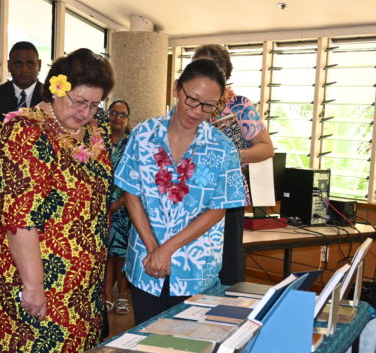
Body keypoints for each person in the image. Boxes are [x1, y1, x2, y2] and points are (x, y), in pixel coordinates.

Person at [0, 48, 114, 353]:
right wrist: (34, 287)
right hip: (39, 285)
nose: (85, 113)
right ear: (57, 88)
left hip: (83, 289)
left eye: (94, 105)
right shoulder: (25, 132)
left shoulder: (94, 132)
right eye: (78, 102)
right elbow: (20, 219)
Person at [114, 59, 245, 325]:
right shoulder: (143, 134)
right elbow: (131, 194)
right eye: (192, 100)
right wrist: (154, 249)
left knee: (190, 351)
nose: (197, 111)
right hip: (146, 264)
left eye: (209, 106)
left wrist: (168, 249)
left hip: (195, 269)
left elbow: (218, 210)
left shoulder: (223, 149)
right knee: (146, 347)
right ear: (177, 88)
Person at [192, 44, 274, 285]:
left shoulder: (238, 105)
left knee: (226, 264)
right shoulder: (188, 104)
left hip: (227, 194)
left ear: (224, 72)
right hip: (191, 194)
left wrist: (231, 155)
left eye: (210, 68)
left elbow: (266, 148)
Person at [0, 41, 43, 231]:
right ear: (9, 65)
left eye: (30, 63)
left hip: (40, 187)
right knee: (1, 238)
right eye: (18, 64)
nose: (24, 69)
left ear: (39, 65)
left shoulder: (51, 99)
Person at [104, 99, 132, 315]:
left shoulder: (131, 144)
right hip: (101, 209)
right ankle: (107, 296)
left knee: (122, 253)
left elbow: (136, 178)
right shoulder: (98, 141)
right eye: (113, 112)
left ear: (127, 119)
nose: (117, 117)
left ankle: (122, 295)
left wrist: (120, 202)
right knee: (106, 254)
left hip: (125, 209)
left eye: (122, 114)